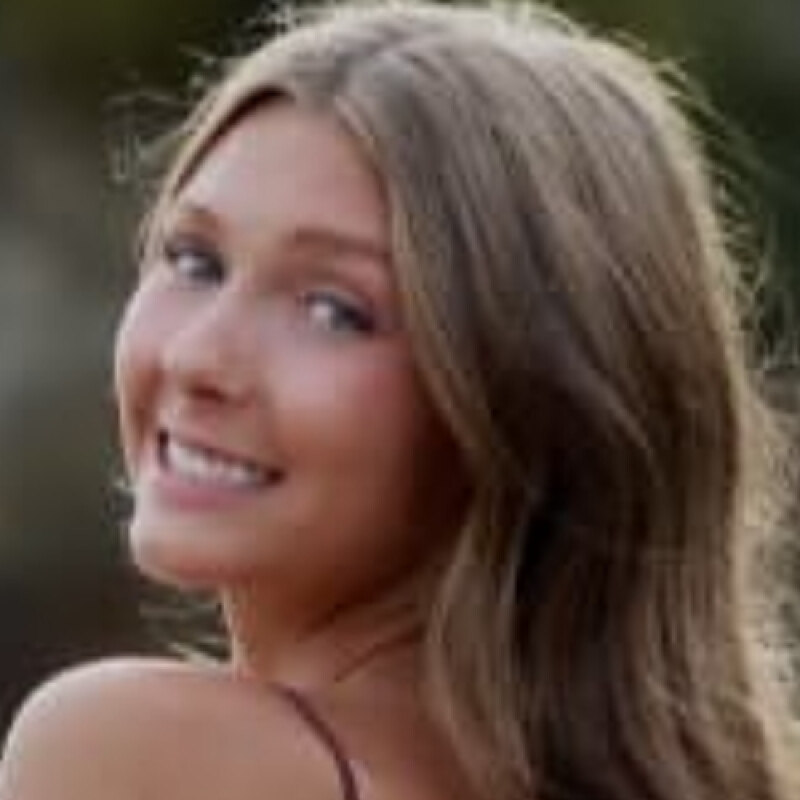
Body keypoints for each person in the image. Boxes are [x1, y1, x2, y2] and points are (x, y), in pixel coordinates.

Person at [0, 2, 796, 799]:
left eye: (333, 311)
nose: (196, 356)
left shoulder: (132, 749)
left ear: (520, 406)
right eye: (194, 260)